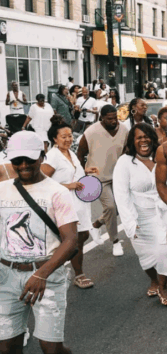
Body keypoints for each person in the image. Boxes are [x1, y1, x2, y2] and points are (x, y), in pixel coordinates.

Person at [0, 131, 91, 354]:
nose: (24, 164)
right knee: (7, 349)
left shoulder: (56, 192)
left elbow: (71, 241)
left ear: (41, 155)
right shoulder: (2, 191)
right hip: (6, 277)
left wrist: (41, 273)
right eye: (17, 159)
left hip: (46, 275)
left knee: (49, 347)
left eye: (29, 158)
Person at [113, 123, 167, 306]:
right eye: (139, 137)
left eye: (147, 136)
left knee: (163, 250)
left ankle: (163, 286)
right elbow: (121, 195)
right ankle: (154, 279)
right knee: (145, 256)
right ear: (133, 141)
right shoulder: (124, 162)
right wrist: (130, 223)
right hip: (138, 215)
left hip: (164, 212)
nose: (144, 140)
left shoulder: (161, 157)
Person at [41, 117, 94, 290]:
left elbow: (72, 173)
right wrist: (68, 186)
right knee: (74, 240)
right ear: (54, 139)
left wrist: (86, 171)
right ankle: (78, 274)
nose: (68, 139)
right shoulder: (52, 156)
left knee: (83, 235)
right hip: (64, 203)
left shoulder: (70, 153)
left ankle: (58, 265)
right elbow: (40, 181)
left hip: (79, 202)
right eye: (64, 136)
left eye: (70, 136)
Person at [77, 104, 127, 256]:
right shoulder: (91, 132)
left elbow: (126, 150)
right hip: (98, 178)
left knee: (123, 207)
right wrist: (82, 173)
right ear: (102, 118)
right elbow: (80, 153)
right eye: (110, 119)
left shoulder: (124, 129)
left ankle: (97, 224)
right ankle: (115, 242)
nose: (114, 122)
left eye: (116, 118)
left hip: (118, 176)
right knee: (111, 207)